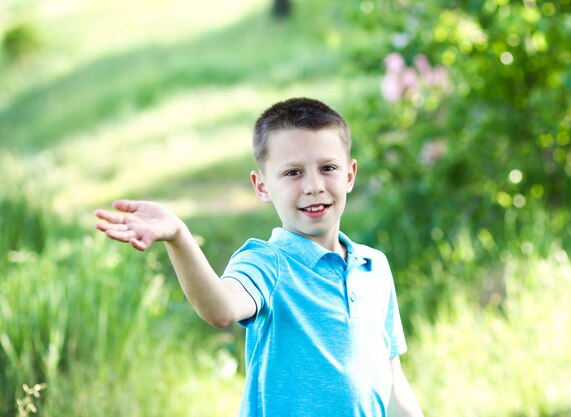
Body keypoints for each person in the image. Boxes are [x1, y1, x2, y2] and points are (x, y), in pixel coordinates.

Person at [95, 97, 424, 417]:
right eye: (293, 172)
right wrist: (179, 238)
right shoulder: (267, 263)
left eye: (328, 168)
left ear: (349, 175)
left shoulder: (373, 267)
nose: (313, 185)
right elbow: (220, 308)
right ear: (262, 185)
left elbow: (393, 379)